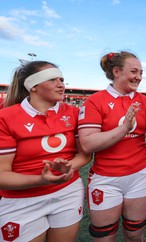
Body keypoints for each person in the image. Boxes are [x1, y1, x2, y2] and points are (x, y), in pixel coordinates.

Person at [78, 51, 146, 242]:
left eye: (141, 73)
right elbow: (87, 144)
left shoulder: (145, 101)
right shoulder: (95, 101)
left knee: (135, 234)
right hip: (105, 179)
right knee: (105, 238)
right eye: (134, 71)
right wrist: (125, 128)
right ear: (116, 71)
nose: (139, 77)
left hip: (139, 176)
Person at [0, 61, 92, 242]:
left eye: (62, 79)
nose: (61, 84)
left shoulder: (74, 113)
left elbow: (85, 154)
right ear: (33, 86)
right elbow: (2, 175)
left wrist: (66, 167)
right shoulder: (6, 117)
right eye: (52, 80)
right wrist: (41, 179)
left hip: (67, 193)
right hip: (21, 202)